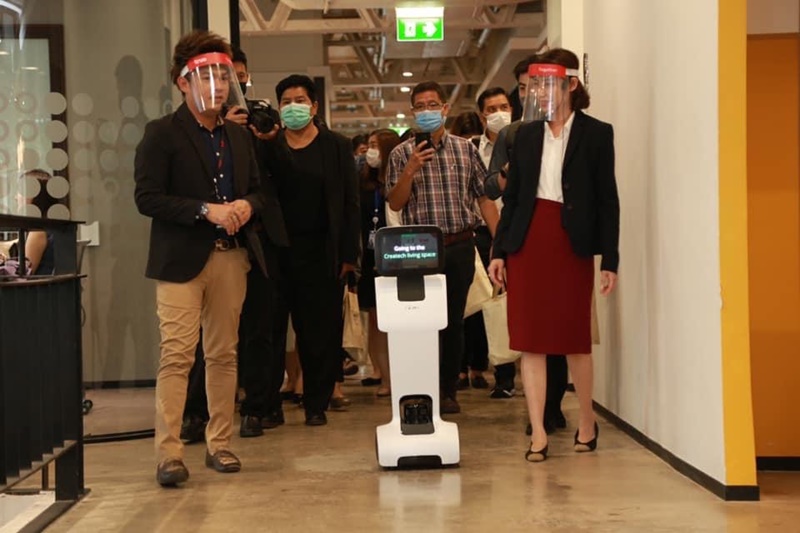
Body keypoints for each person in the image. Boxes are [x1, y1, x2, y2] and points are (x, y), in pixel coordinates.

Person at [134, 30, 272, 486]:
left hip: (231, 257)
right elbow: (147, 198)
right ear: (183, 82)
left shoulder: (238, 137)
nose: (218, 85)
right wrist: (203, 210)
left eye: (224, 76)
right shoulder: (161, 133)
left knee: (224, 354)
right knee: (177, 356)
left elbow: (259, 191)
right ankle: (169, 454)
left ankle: (221, 443)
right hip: (180, 261)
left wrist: (247, 205)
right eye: (208, 76)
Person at [487, 48, 620, 462]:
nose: (539, 92)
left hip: (571, 242)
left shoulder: (596, 134)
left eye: (546, 84)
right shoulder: (525, 135)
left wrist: (610, 259)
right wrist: (499, 251)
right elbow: (513, 199)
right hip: (528, 241)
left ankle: (586, 421)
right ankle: (538, 432)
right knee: (530, 341)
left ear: (570, 84)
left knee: (575, 338)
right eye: (533, 86)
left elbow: (607, 200)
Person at [386, 81, 499, 414]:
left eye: (433, 105)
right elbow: (395, 202)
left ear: (445, 109)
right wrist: (410, 170)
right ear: (413, 112)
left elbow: (484, 198)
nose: (427, 111)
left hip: (460, 243)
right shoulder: (400, 154)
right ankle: (421, 387)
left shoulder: (466, 150)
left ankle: (448, 389)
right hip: (418, 248)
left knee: (452, 322)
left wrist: (500, 243)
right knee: (419, 322)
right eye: (420, 106)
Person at [259, 74, 360, 427]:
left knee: (319, 331)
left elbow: (350, 203)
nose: (293, 107)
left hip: (322, 251)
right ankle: (268, 405)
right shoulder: (269, 146)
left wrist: (349, 255)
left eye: (299, 101)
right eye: (286, 102)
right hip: (276, 251)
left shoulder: (336, 146)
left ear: (314, 106)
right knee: (271, 330)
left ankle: (316, 402)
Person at [358, 129, 400, 397]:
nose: (369, 151)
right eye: (368, 145)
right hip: (369, 258)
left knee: (395, 320)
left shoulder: (398, 181)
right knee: (374, 321)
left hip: (396, 258)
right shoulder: (363, 183)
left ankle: (400, 376)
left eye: (374, 145)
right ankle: (385, 376)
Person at [16, 169, 58, 275]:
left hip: (40, 285)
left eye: (20, 191)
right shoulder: (52, 226)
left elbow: (24, 274)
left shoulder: (38, 232)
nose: (16, 197)